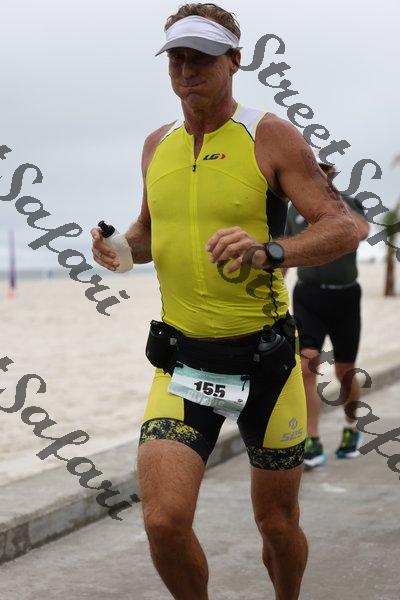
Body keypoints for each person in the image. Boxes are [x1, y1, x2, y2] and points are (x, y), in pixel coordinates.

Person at [91, 4, 358, 598]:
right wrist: (120, 248)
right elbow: (150, 233)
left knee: (277, 525)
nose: (187, 70)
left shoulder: (270, 135)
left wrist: (270, 251)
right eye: (177, 59)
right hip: (184, 362)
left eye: (202, 58)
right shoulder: (156, 145)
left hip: (266, 364)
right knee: (163, 522)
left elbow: (343, 227)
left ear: (234, 61)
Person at [285, 155, 370, 469]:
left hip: (345, 296)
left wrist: (333, 202)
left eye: (324, 171)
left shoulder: (348, 203)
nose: (318, 176)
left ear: (332, 174)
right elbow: (283, 253)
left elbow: (362, 232)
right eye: (313, 171)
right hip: (308, 296)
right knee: (307, 367)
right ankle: (312, 439)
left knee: (344, 371)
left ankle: (351, 428)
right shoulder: (293, 211)